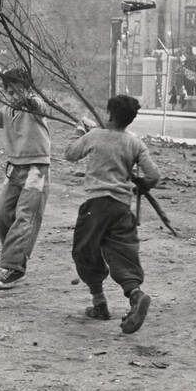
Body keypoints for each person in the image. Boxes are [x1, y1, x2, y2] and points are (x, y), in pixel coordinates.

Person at [65, 95, 161, 334]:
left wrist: (80, 131)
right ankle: (135, 295)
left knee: (84, 252)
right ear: (130, 119)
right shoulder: (135, 143)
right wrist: (139, 183)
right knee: (123, 255)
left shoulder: (94, 136)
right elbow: (154, 175)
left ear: (109, 114)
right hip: (121, 209)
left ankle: (99, 303)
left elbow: (69, 154)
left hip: (95, 207)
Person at [0, 68, 51, 289]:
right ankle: (13, 258)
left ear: (27, 89)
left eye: (15, 91)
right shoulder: (9, 108)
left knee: (25, 216)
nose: (11, 96)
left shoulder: (36, 104)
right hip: (14, 167)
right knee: (1, 214)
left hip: (36, 168)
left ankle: (15, 267)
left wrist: (29, 100)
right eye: (8, 92)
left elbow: (40, 107)